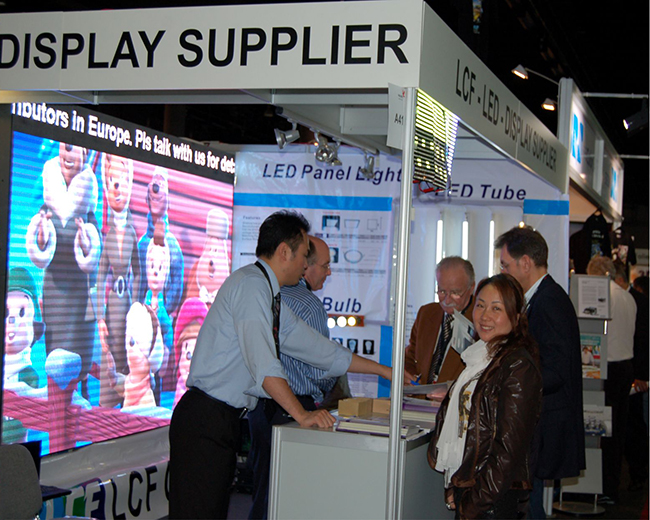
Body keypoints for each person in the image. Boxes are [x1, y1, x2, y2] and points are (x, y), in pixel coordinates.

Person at [168, 210, 409, 519]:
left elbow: (319, 349)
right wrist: (302, 414)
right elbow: (264, 364)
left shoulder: (269, 294)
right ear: (284, 251)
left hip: (221, 420)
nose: (306, 265)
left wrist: (386, 371)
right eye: (304, 255)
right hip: (205, 418)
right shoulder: (252, 286)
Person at [247, 235, 350, 519]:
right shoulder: (310, 305)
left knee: (263, 490)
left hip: (259, 409)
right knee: (289, 496)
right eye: (325, 265)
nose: (329, 272)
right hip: (295, 410)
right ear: (306, 266)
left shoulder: (267, 294)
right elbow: (320, 370)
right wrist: (335, 383)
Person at [428, 274, 542, 519]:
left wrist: (475, 502)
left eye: (496, 308)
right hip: (472, 486)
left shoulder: (518, 366)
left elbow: (508, 450)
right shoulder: (479, 357)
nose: (484, 316)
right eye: (480, 305)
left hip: (494, 499)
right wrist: (457, 483)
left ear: (516, 316)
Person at [495, 225, 584, 519]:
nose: (503, 272)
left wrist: (514, 386)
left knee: (528, 506)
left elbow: (556, 369)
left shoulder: (549, 301)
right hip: (538, 424)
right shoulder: (539, 297)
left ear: (525, 263)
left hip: (545, 424)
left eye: (505, 265)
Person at [586, 256, 636, 503]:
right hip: (625, 367)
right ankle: (610, 487)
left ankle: (600, 487)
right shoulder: (627, 297)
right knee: (616, 430)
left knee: (601, 431)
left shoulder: (604, 297)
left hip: (607, 370)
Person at [405, 256, 476, 389]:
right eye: (442, 291)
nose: (447, 300)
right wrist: (411, 378)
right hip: (421, 398)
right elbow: (410, 356)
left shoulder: (481, 322)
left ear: (471, 288)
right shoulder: (426, 313)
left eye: (455, 293)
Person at [614, 262, 649, 491]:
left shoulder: (639, 302)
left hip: (633, 373)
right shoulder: (629, 300)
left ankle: (639, 472)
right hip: (626, 371)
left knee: (634, 424)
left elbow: (643, 340)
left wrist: (642, 374)